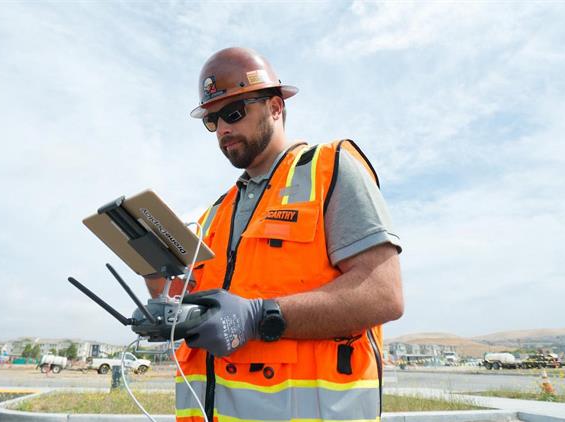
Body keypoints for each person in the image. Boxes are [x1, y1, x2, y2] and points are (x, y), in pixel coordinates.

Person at [145, 47, 404, 422]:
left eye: (233, 113)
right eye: (212, 120)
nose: (222, 129)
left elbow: (383, 294)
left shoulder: (329, 171)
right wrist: (156, 282)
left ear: (275, 108)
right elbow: (192, 304)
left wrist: (259, 316)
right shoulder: (217, 212)